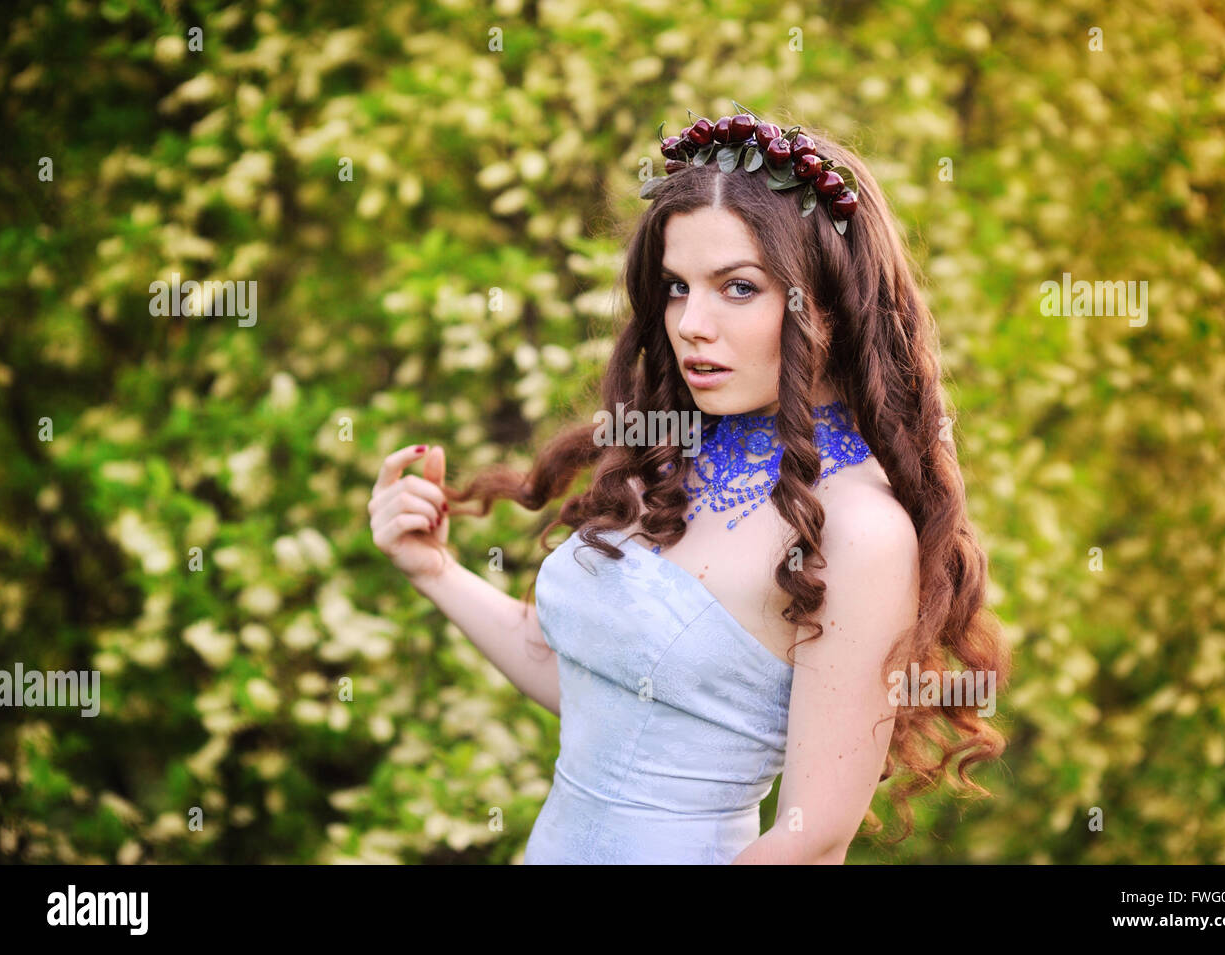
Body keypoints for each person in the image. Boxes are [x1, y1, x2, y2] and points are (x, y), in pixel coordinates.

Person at [367, 105, 1010, 864]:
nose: (691, 323)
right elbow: (598, 689)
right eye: (676, 286)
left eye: (737, 288)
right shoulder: (673, 451)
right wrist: (432, 568)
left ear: (828, 303)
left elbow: (812, 840)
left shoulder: (859, 531)